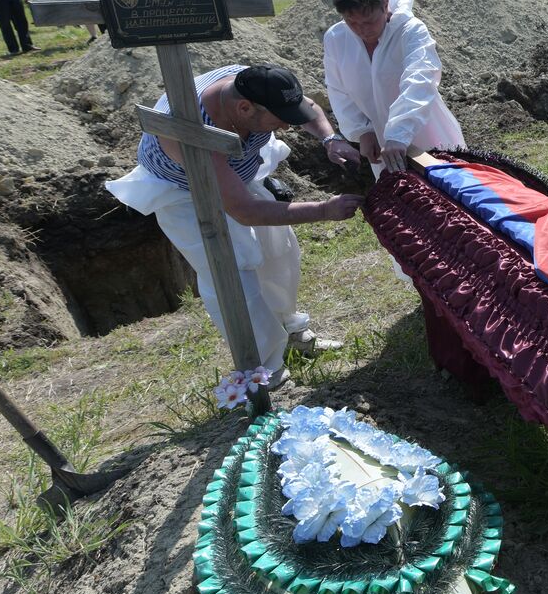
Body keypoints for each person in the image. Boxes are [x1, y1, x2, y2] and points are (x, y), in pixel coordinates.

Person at [106, 65, 364, 383]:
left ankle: (293, 334)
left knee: (279, 253)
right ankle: (264, 369)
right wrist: (324, 210)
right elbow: (244, 211)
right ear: (244, 109)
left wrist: (330, 139)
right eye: (280, 118)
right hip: (184, 193)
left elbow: (306, 107)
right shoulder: (190, 129)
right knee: (233, 272)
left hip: (236, 175)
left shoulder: (256, 84)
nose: (286, 126)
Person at [322, 0, 464, 179]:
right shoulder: (336, 39)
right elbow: (338, 89)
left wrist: (399, 133)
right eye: (352, 22)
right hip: (382, 147)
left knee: (447, 195)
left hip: (427, 132)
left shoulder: (410, 30)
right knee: (403, 202)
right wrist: (363, 131)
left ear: (385, 5)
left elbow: (420, 79)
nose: (362, 30)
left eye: (369, 21)